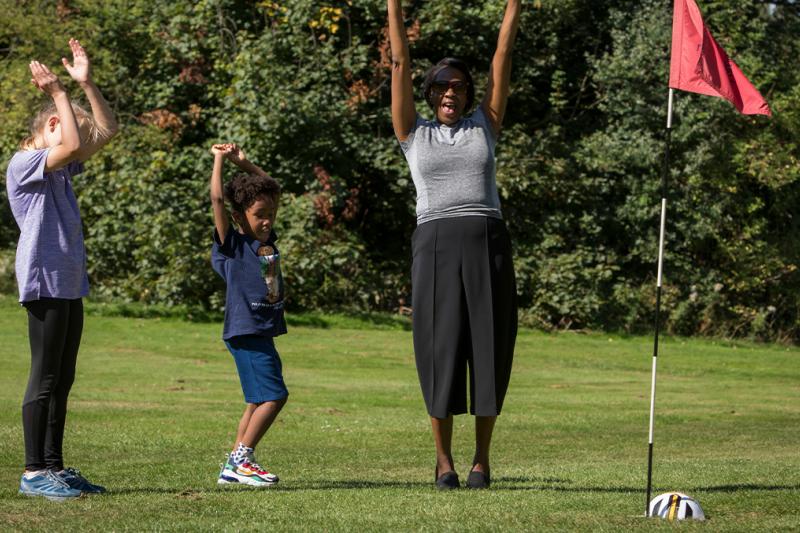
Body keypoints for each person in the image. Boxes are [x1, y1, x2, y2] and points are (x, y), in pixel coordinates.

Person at [387, 0, 521, 489]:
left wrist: (513, 6)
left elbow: (501, 57)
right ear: (430, 93)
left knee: (489, 348)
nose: (451, 92)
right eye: (443, 85)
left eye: (459, 86)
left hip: (488, 241)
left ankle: (482, 461)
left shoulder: (484, 123)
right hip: (436, 243)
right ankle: (443, 462)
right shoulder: (412, 133)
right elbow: (399, 60)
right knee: (440, 351)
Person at [6, 39, 118, 500]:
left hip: (69, 282)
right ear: (52, 124)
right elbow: (73, 142)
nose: (80, 152)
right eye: (69, 133)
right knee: (44, 375)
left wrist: (85, 84)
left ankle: (54, 466)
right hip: (44, 281)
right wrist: (57, 92)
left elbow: (106, 132)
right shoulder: (24, 164)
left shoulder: (60, 170)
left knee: (63, 377)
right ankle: (34, 471)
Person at [209, 143, 288, 488]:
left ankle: (232, 466)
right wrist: (219, 161)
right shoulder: (234, 244)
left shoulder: (267, 240)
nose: (267, 219)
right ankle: (243, 459)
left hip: (261, 330)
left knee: (258, 399)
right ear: (241, 217)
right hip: (246, 330)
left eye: (270, 213)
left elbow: (273, 188)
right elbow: (216, 201)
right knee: (275, 396)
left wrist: (245, 163)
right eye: (259, 214)